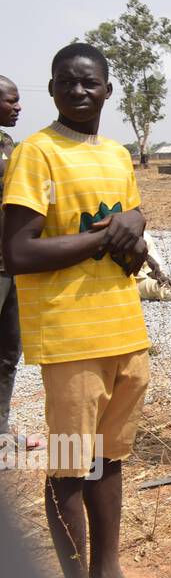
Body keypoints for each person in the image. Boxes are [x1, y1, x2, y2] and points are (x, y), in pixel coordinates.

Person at [2, 43, 171, 578]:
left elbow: (127, 240)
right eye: (67, 83)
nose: (79, 92)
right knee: (71, 466)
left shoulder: (119, 156)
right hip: (70, 337)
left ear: (107, 91)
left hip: (124, 329)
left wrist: (136, 228)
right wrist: (108, 235)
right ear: (52, 89)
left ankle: (109, 577)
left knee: (109, 459)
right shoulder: (36, 153)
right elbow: (19, 250)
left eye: (90, 83)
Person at [0, 75, 42, 451]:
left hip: (12, 267)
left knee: (9, 352)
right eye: (11, 101)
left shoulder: (10, 146)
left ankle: (1, 431)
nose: (18, 107)